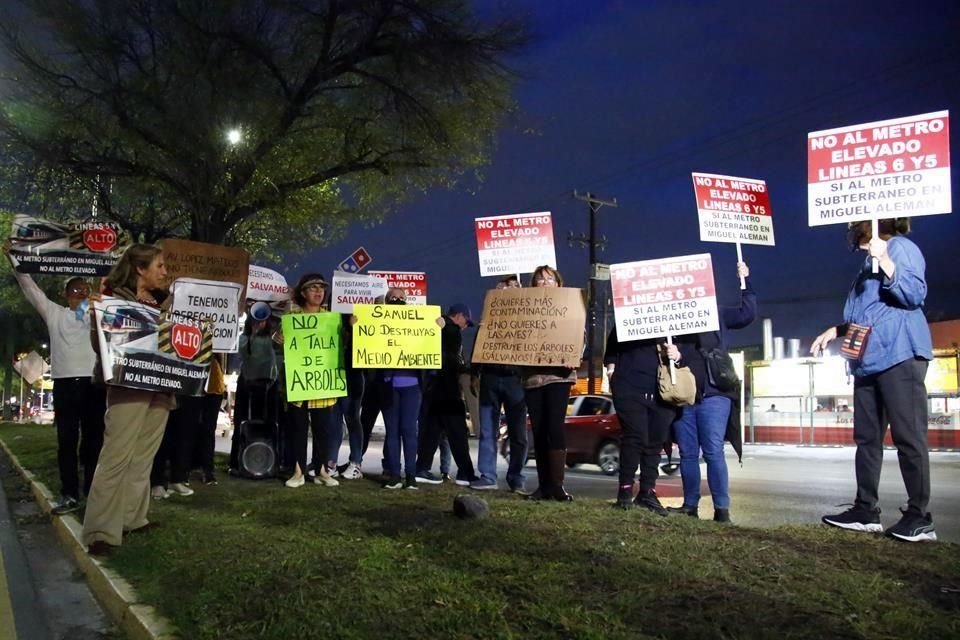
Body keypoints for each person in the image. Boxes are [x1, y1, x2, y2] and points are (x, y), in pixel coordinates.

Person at [814, 218, 935, 542]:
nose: (850, 227)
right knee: (867, 439)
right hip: (869, 361)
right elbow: (870, 313)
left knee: (909, 437)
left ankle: (919, 517)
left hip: (899, 354)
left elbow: (913, 294)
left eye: (854, 221)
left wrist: (885, 259)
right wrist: (837, 330)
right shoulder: (867, 262)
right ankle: (865, 510)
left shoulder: (900, 248)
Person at [82, 243, 172, 555]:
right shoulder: (113, 300)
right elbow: (101, 346)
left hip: (161, 390)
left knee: (143, 457)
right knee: (116, 456)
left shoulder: (166, 302)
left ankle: (133, 518)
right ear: (139, 268)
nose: (164, 272)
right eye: (159, 266)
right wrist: (98, 314)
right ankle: (100, 531)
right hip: (127, 388)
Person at [3, 240, 106, 516]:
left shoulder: (99, 315)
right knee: (67, 441)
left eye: (85, 290)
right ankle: (70, 494)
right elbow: (29, 288)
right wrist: (15, 259)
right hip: (65, 385)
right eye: (75, 291)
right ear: (65, 295)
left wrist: (100, 303)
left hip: (94, 384)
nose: (80, 295)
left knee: (94, 440)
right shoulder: (55, 314)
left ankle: (92, 492)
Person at [667, 261, 756, 522]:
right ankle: (690, 505)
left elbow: (746, 314)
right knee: (687, 453)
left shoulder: (716, 313)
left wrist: (745, 282)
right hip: (684, 394)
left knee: (713, 450)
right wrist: (671, 352)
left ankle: (722, 509)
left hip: (715, 394)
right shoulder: (673, 319)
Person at [604, 331, 679, 514]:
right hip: (629, 385)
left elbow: (688, 350)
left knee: (655, 442)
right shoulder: (629, 313)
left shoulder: (672, 321)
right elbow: (612, 347)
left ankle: (647, 493)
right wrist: (612, 371)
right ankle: (625, 492)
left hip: (663, 387)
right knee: (634, 437)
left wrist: (677, 355)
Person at [521, 266, 575, 501]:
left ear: (558, 284)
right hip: (533, 379)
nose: (544, 282)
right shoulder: (525, 311)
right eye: (539, 279)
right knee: (540, 431)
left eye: (549, 279)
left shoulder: (570, 308)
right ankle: (543, 486)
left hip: (558, 377)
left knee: (554, 428)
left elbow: (577, 336)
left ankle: (557, 485)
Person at [472, 274, 528, 492]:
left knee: (518, 433)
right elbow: (480, 341)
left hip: (516, 378)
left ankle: (516, 478)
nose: (509, 288)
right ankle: (487, 475)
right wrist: (476, 372)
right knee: (487, 429)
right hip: (491, 376)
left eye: (514, 285)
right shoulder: (490, 314)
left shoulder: (528, 315)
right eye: (506, 285)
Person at [283, 274, 339, 488]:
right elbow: (283, 344)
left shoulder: (330, 318)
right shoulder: (292, 315)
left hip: (323, 383)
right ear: (304, 293)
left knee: (323, 429)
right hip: (299, 382)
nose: (318, 292)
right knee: (298, 428)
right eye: (313, 288)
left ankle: (322, 471)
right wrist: (278, 339)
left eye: (321, 288)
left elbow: (337, 347)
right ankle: (298, 472)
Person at [415, 303, 478, 486]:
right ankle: (465, 473)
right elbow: (450, 359)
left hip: (432, 388)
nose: (466, 326)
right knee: (458, 432)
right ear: (458, 315)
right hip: (447, 389)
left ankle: (422, 468)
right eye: (466, 321)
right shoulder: (452, 331)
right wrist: (465, 368)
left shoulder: (436, 326)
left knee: (432, 431)